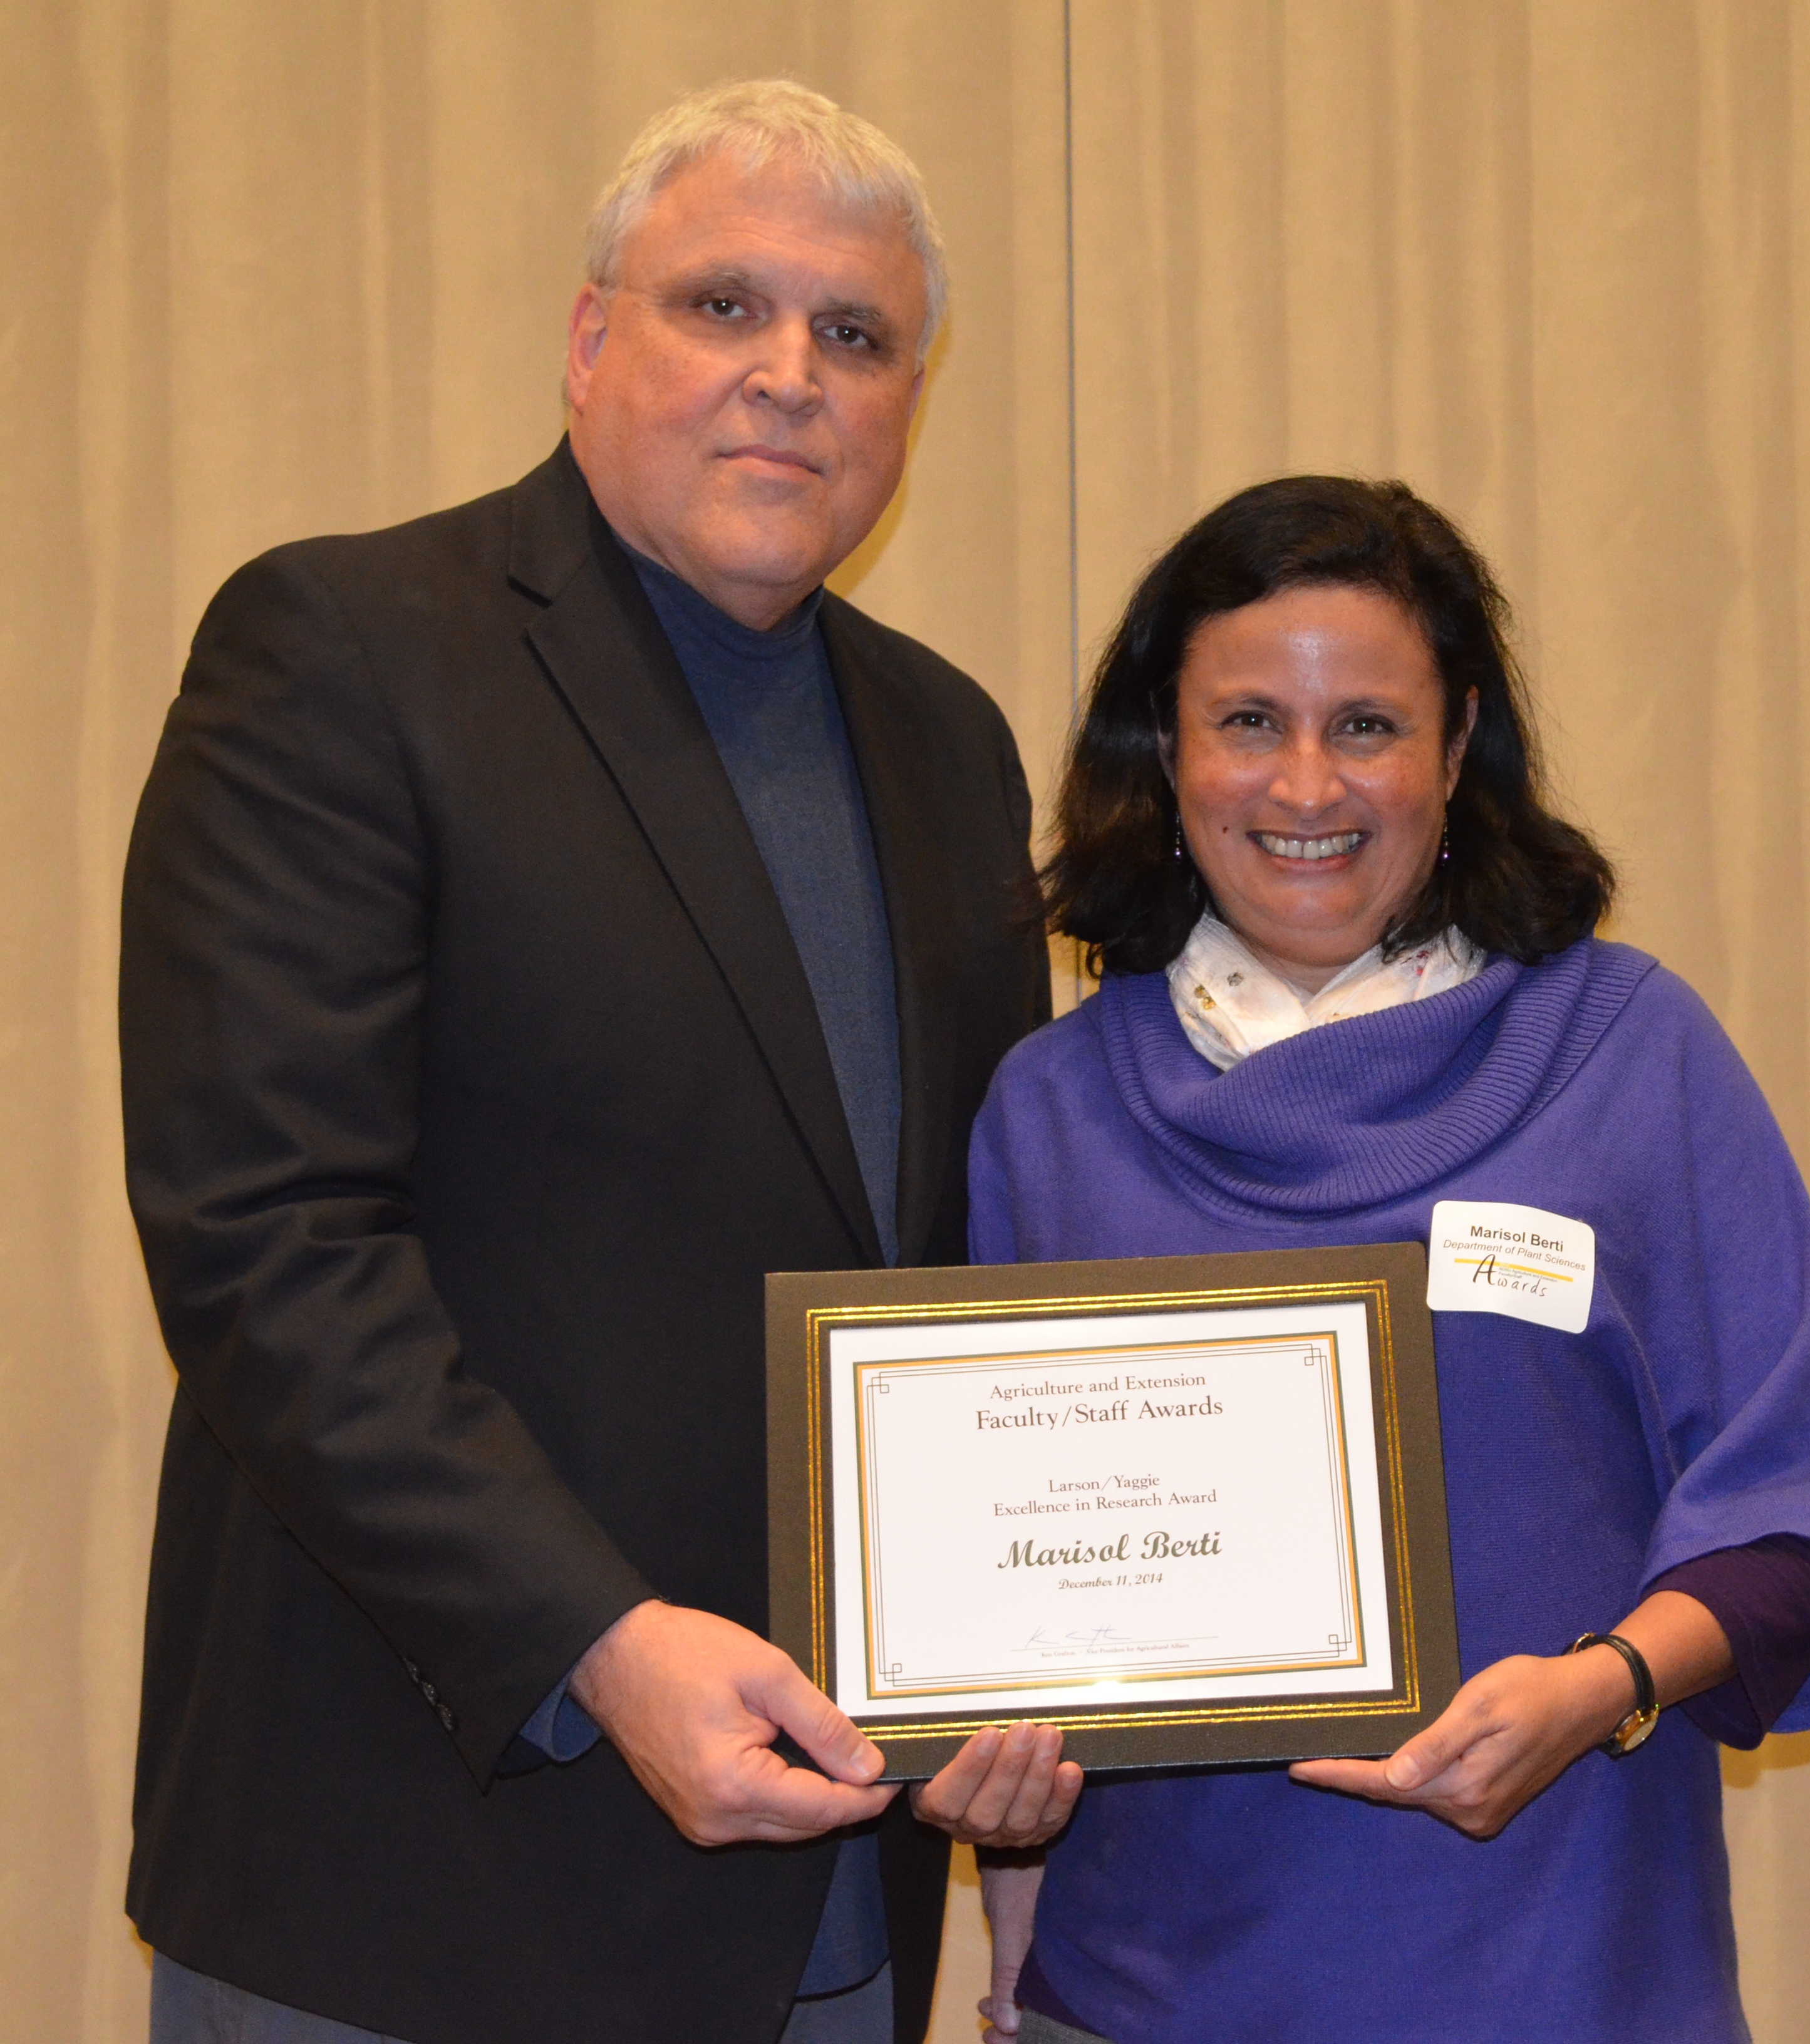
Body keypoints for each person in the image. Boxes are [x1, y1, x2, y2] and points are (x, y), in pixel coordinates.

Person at [120, 80, 1075, 2044]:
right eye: (722, 307)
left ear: (908, 398)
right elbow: (266, 1245)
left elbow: (961, 1282)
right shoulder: (347, 651)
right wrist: (597, 1644)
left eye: (854, 335)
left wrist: (1039, 1637)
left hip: (835, 1905)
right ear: (586, 342)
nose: (790, 378)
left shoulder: (951, 745)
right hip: (423, 1891)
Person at [963, 476, 1810, 2043]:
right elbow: (1013, 1609)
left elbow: (1795, 1529)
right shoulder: (1052, 1110)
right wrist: (1002, 1879)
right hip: (1134, 2000)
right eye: (1250, 721)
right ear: (1169, 748)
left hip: (1556, 1974)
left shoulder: (1629, 1050)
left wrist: (1598, 1689)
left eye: (1367, 728)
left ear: (1458, 747)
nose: (1304, 784)